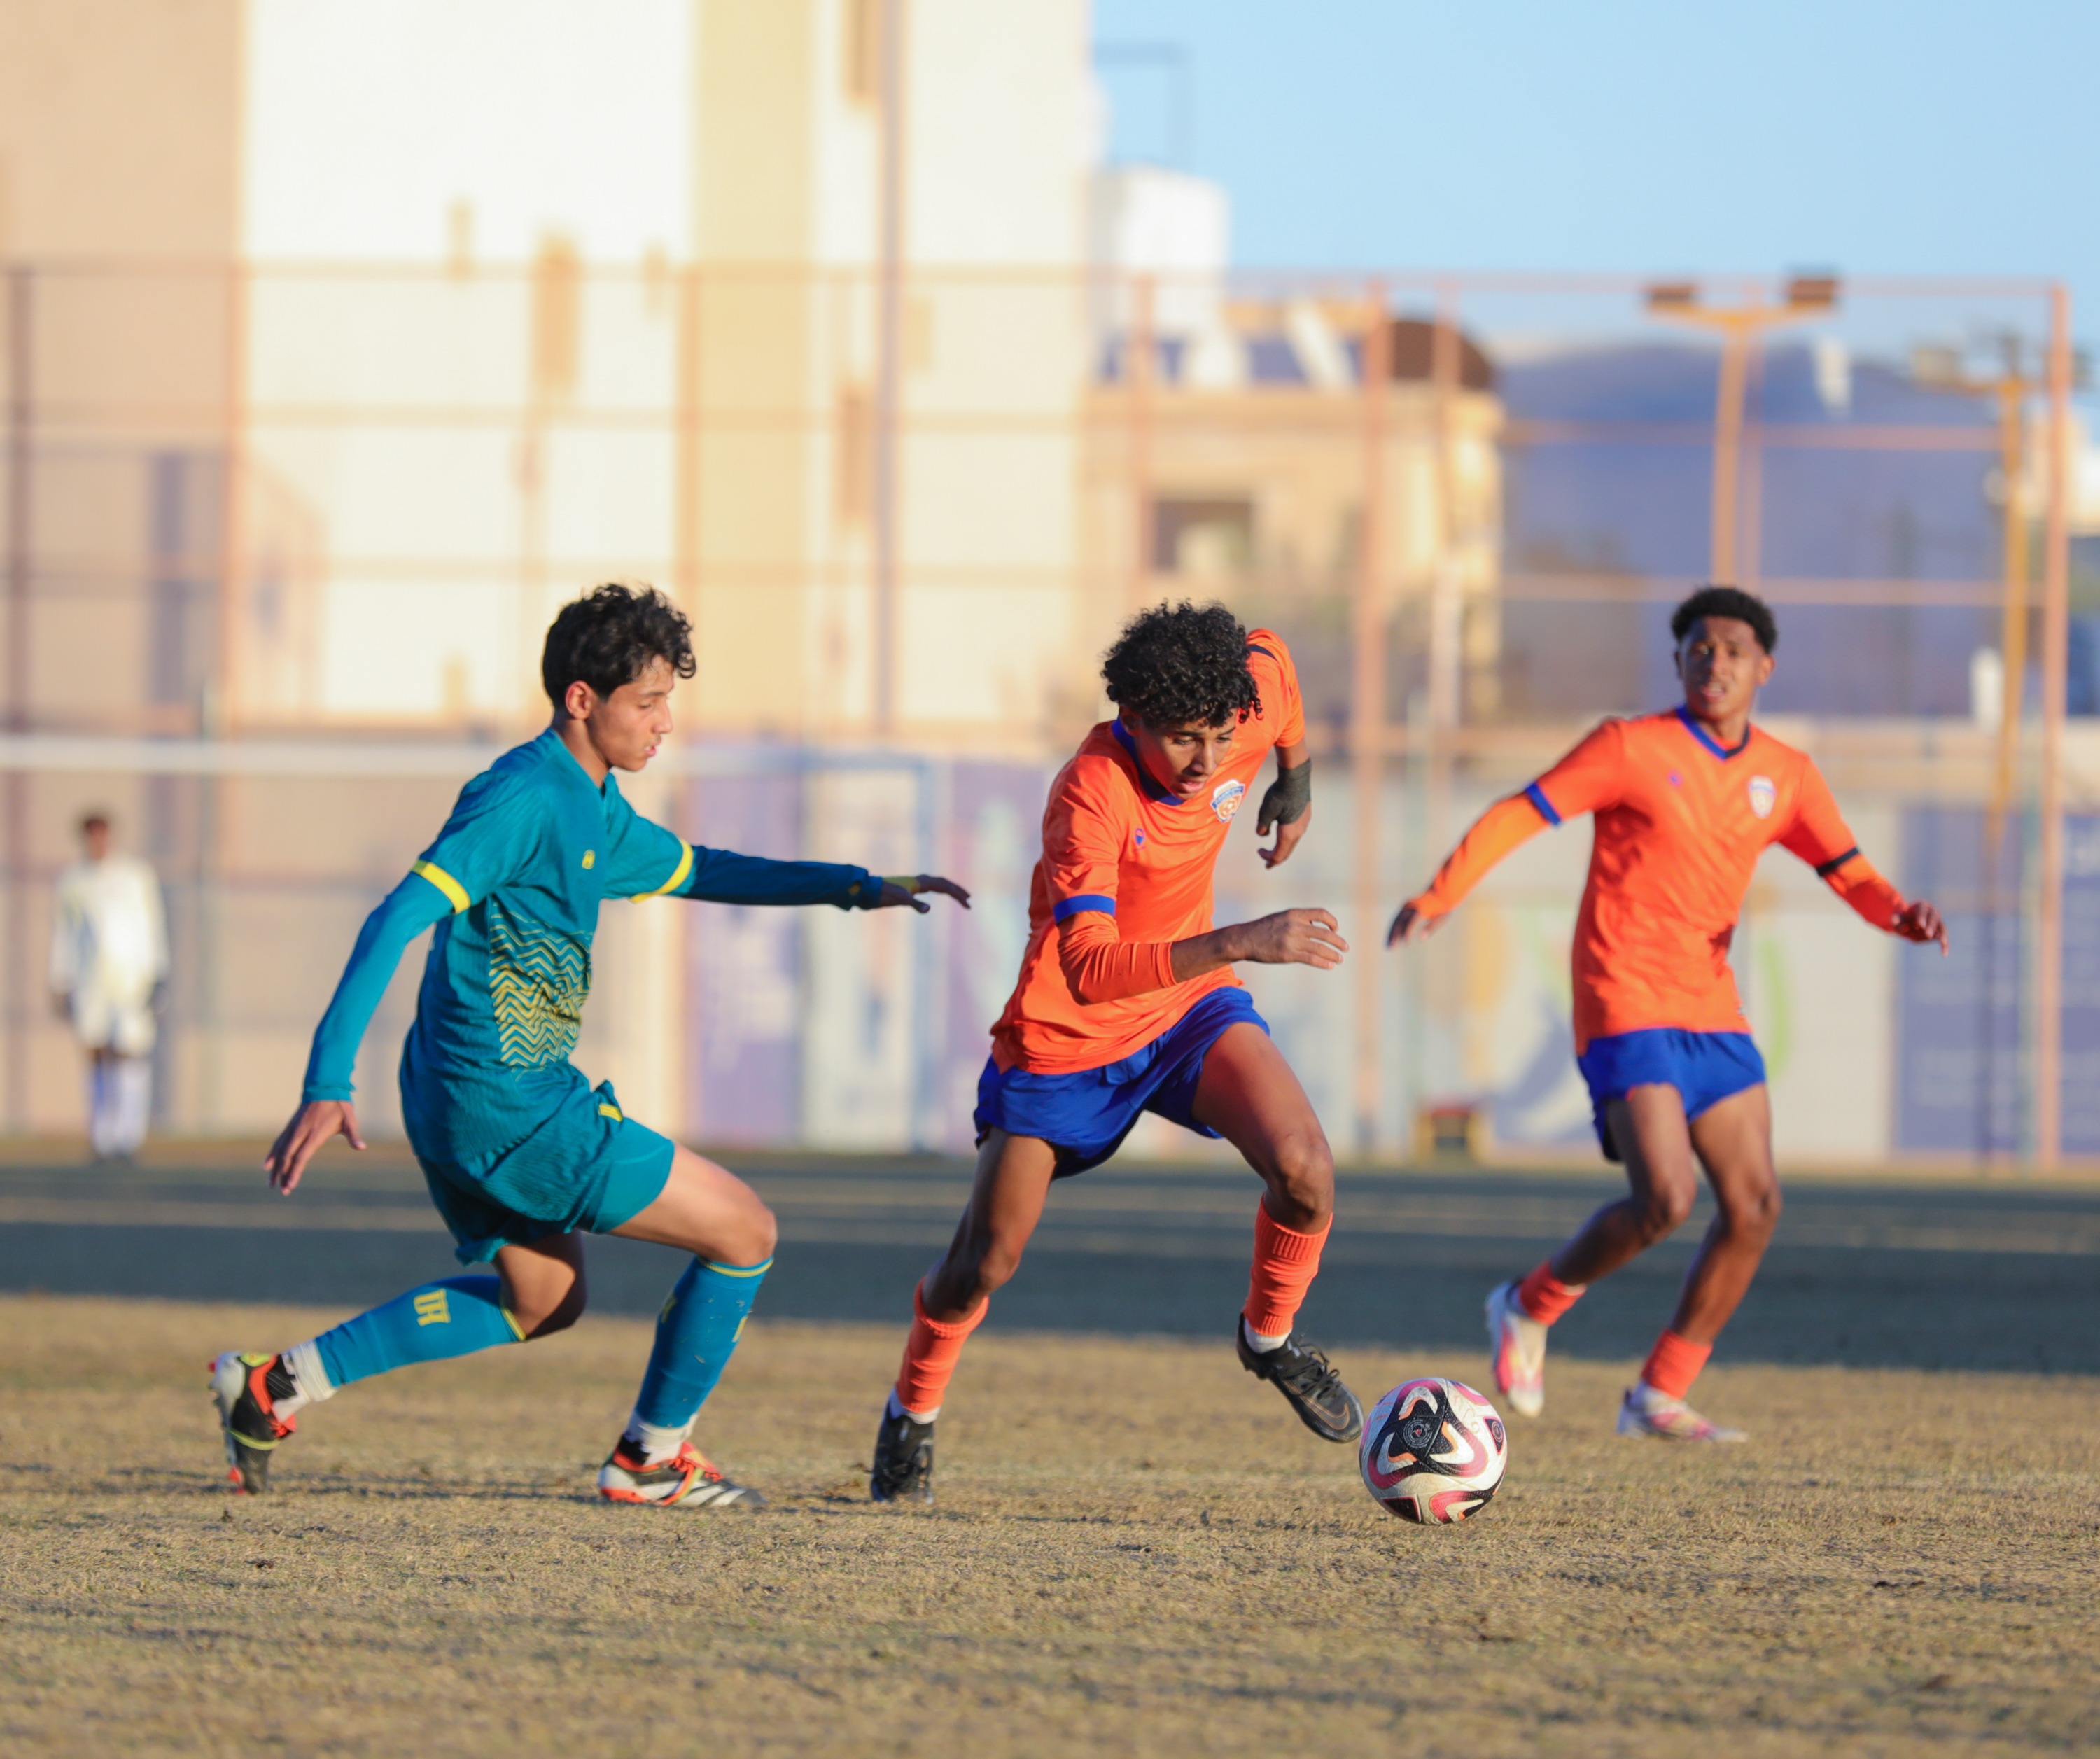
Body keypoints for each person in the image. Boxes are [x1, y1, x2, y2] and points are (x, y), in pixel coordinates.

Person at [214, 582, 968, 1504]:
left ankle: (276, 1384)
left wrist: (853, 885)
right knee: (745, 1230)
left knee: (543, 1299)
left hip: (467, 1095)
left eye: (669, 702)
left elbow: (705, 870)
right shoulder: (522, 795)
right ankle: (651, 1457)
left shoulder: (593, 805)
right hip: (512, 1105)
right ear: (583, 699)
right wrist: (328, 1079)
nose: (666, 724)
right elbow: (395, 916)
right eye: (648, 703)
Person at [1387, 585, 1948, 1442]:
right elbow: (1521, 811)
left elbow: (1848, 867)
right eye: (1698, 646)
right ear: (1679, 659)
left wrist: (1897, 910)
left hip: (1711, 1006)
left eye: (1731, 648)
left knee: (1755, 1205)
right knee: (1667, 1196)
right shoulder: (1630, 746)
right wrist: (1443, 890)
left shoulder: (1786, 775)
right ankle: (1529, 1305)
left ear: (1765, 666)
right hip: (1623, 993)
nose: (1713, 660)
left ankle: (1658, 1393)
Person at [866, 600, 1359, 1505]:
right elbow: (1090, 968)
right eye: (1181, 740)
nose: (1207, 762)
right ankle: (913, 1410)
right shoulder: (1089, 792)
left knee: (1307, 1168)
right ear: (1130, 717)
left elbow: (1279, 671)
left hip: (1187, 1010)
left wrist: (1298, 780)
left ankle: (1270, 1339)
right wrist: (1241, 938)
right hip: (1066, 1038)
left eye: (1221, 737)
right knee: (986, 1263)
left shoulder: (1247, 697)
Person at [50, 812, 169, 1161]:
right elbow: (65, 934)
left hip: (132, 979)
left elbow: (153, 926)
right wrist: (60, 979)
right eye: (91, 836)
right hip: (91, 982)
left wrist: (159, 973)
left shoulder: (135, 876)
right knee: (97, 1052)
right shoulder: (73, 881)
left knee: (130, 1051)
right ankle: (102, 1136)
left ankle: (128, 1136)